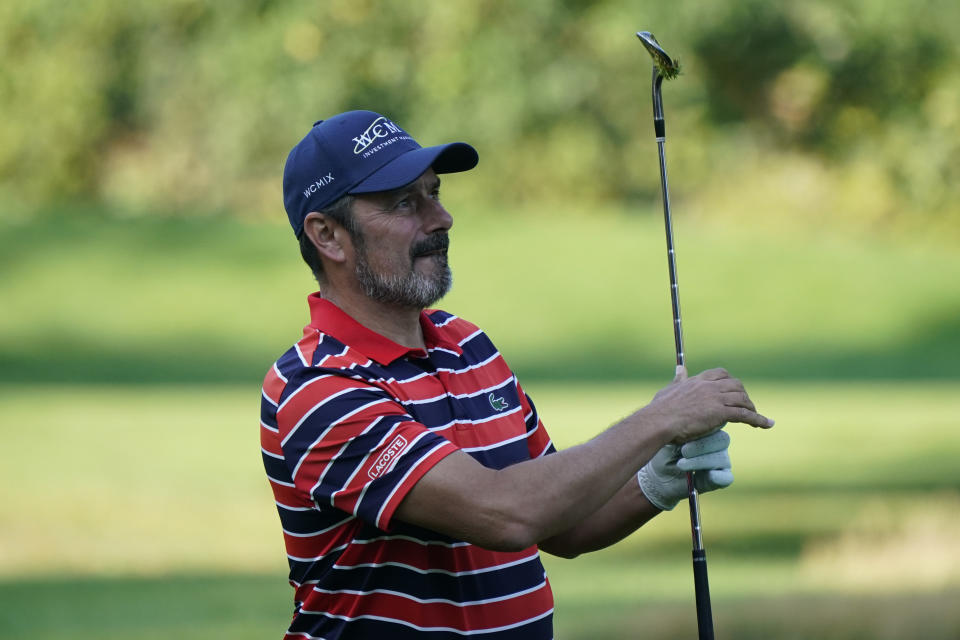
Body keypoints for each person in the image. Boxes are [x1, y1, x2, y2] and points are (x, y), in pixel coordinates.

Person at [260, 110, 774, 639]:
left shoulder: (469, 347)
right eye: (404, 203)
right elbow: (506, 514)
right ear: (328, 235)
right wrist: (657, 421)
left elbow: (565, 523)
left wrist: (655, 480)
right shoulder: (316, 385)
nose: (440, 218)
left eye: (434, 193)